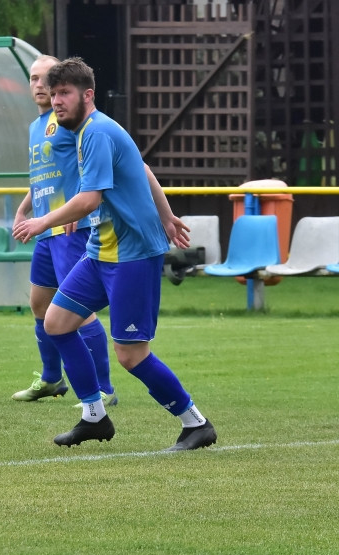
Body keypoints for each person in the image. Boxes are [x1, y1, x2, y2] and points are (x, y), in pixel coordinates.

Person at [12, 58, 217, 452]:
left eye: (64, 93)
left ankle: (196, 423)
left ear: (87, 95)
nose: (56, 100)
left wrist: (42, 222)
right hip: (101, 250)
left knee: (131, 354)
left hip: (133, 255)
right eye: (53, 93)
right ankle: (95, 417)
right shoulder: (82, 131)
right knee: (56, 322)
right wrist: (167, 214)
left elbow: (89, 199)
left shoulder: (98, 131)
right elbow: (139, 167)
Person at [12, 55, 115, 406]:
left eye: (45, 79)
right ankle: (52, 378)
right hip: (45, 230)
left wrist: (78, 205)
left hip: (70, 226)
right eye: (33, 78)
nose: (39, 85)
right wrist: (24, 207)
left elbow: (89, 166)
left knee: (77, 307)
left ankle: (104, 388)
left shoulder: (70, 122)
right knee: (39, 304)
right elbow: (45, 173)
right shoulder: (35, 125)